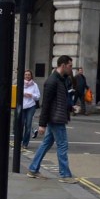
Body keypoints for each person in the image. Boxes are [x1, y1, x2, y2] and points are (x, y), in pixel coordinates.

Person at [27, 55, 77, 183]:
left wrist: (71, 108)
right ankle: (65, 175)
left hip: (58, 116)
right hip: (56, 118)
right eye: (70, 66)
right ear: (63, 65)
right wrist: (42, 124)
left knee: (46, 143)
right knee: (62, 145)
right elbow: (46, 104)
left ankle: (33, 169)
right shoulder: (52, 81)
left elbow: (61, 99)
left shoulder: (61, 80)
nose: (71, 68)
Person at [19, 70, 40, 149]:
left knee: (28, 125)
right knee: (20, 124)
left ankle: (25, 143)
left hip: (31, 106)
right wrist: (22, 94)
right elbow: (16, 93)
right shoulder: (20, 84)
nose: (27, 76)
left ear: (31, 76)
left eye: (29, 75)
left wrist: (31, 95)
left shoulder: (34, 85)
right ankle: (19, 141)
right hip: (22, 106)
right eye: (26, 75)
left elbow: (38, 96)